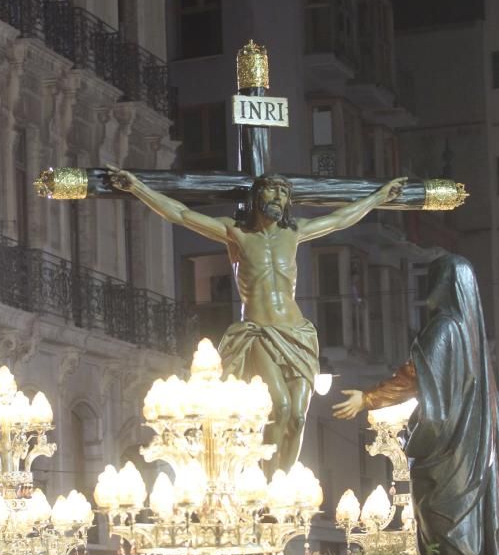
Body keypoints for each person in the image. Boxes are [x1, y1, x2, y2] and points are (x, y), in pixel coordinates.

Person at [110, 168, 406, 475]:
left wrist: (377, 198)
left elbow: (341, 219)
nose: (278, 196)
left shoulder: (294, 233)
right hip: (260, 333)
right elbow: (181, 215)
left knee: (299, 417)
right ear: (257, 196)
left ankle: (283, 483)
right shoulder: (236, 233)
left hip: (297, 334)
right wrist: (137, 189)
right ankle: (265, 483)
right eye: (271, 190)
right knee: (280, 408)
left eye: (283, 192)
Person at [332, 254, 499, 555]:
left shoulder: (445, 328)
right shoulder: (472, 337)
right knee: (464, 528)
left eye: (433, 279)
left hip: (450, 455)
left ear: (444, 284)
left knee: (445, 525)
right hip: (472, 454)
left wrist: (368, 398)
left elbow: (413, 377)